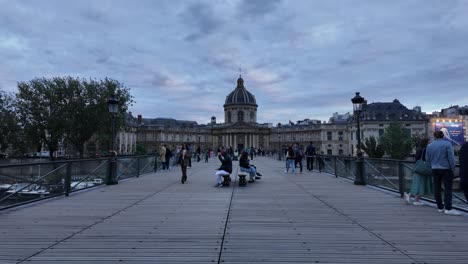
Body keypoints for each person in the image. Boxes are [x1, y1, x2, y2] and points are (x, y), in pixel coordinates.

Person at [426, 131, 461, 216]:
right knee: (447, 188)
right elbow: (451, 158)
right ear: (443, 136)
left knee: (437, 188)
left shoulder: (430, 146)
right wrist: (452, 168)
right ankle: (448, 208)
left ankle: (440, 207)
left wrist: (431, 167)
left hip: (434, 168)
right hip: (446, 169)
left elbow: (427, 159)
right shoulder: (447, 144)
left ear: (434, 136)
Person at [404, 138, 433, 206]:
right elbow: (427, 159)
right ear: (426, 143)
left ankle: (409, 195)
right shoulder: (425, 150)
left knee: (417, 184)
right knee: (420, 184)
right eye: (429, 142)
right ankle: (416, 200)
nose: (430, 144)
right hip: (422, 169)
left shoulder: (419, 149)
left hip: (417, 168)